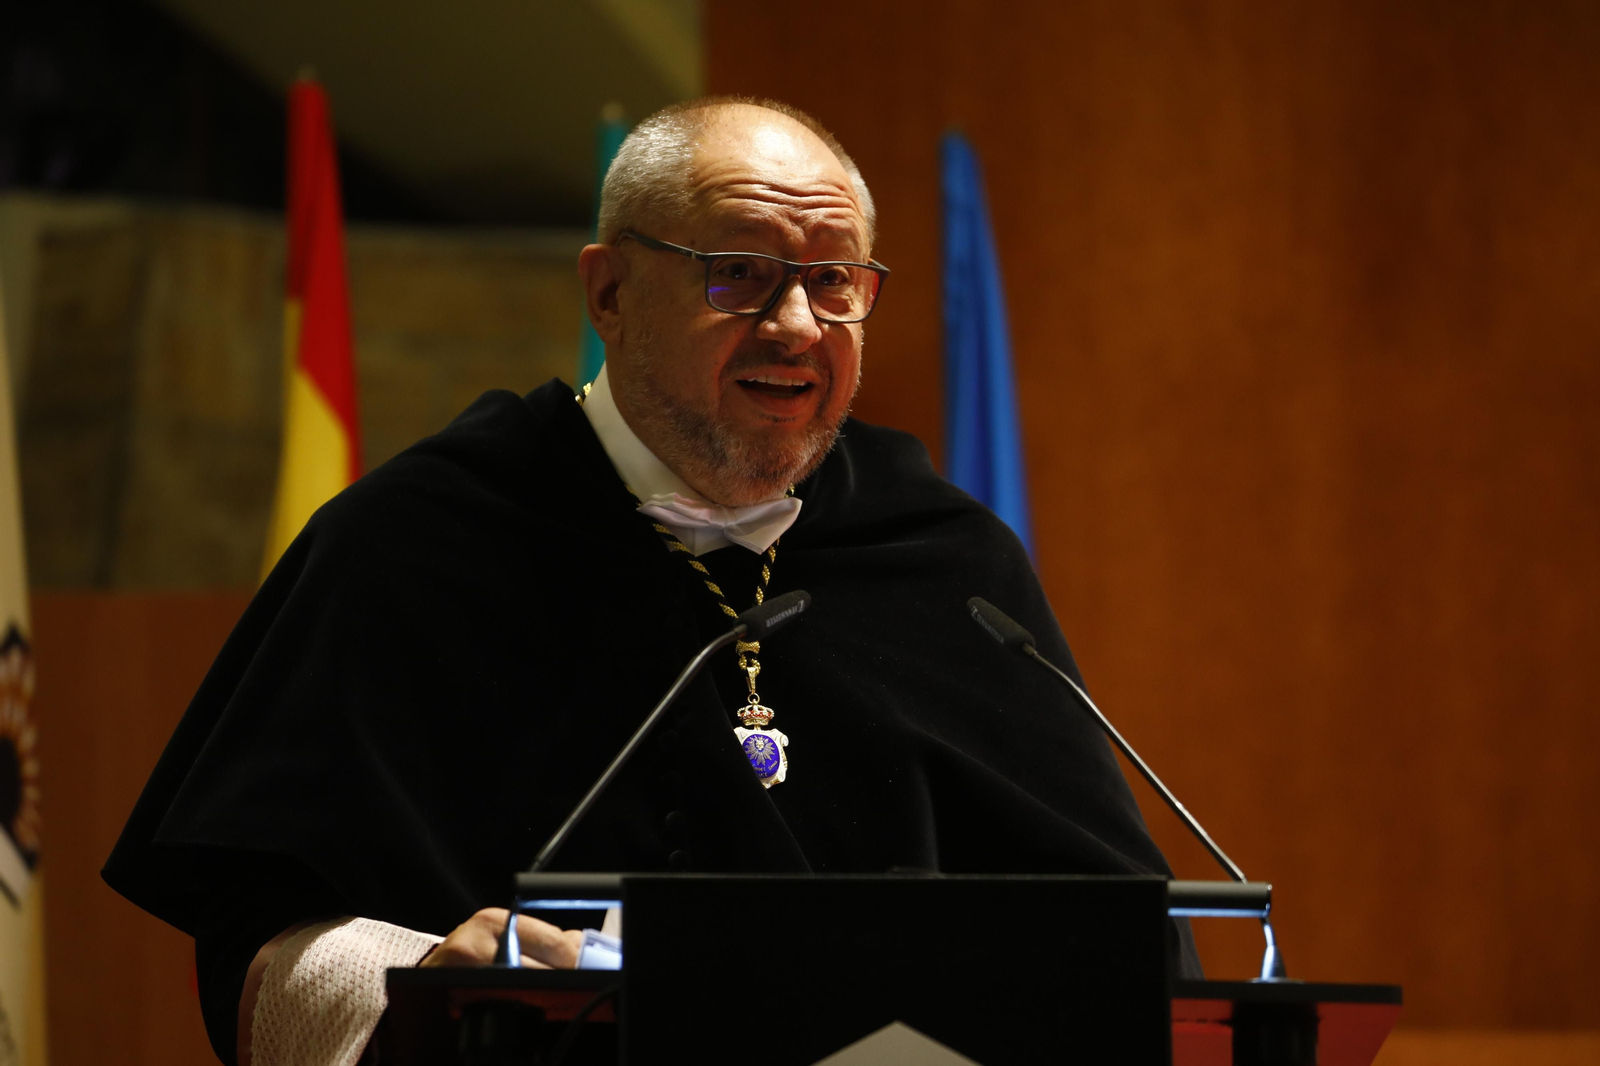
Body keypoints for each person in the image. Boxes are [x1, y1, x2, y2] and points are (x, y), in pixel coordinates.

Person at [104, 96, 1197, 1066]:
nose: (796, 326)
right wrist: (423, 971)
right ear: (610, 290)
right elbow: (261, 934)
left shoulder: (951, 562)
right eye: (741, 275)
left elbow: (1121, 937)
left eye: (834, 282)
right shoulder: (410, 544)